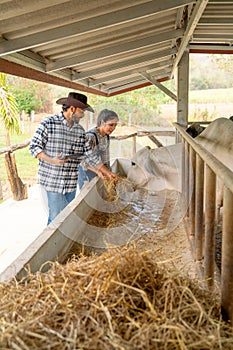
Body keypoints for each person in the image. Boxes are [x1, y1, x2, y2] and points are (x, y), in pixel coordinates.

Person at [30, 92, 116, 225]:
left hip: (70, 182)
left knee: (64, 216)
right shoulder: (48, 123)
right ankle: (53, 246)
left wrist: (106, 172)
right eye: (81, 111)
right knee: (56, 218)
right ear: (72, 109)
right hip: (53, 180)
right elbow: (34, 148)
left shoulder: (80, 131)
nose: (83, 115)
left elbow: (89, 155)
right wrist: (52, 160)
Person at [78, 108, 119, 189]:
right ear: (102, 122)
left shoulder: (106, 136)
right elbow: (83, 159)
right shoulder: (91, 136)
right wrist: (100, 171)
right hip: (86, 170)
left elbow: (106, 158)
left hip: (99, 169)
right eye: (111, 125)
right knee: (87, 194)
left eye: (115, 125)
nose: (113, 128)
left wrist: (109, 173)